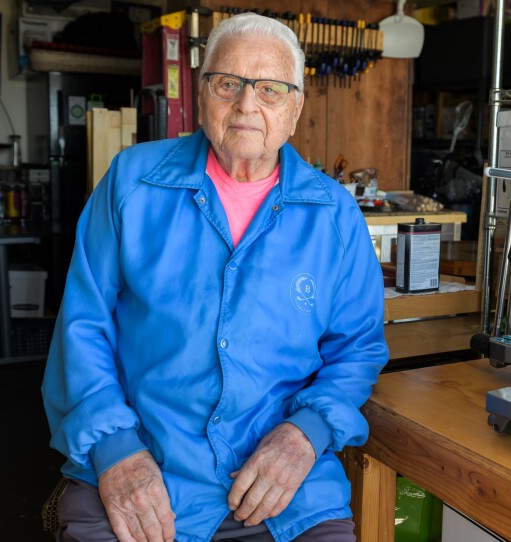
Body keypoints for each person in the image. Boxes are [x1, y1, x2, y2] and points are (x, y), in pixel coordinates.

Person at [42, 12, 389, 542]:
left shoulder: (335, 215)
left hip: (285, 492)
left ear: (294, 108)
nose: (247, 105)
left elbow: (358, 350)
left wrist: (305, 433)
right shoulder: (133, 182)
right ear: (202, 94)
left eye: (270, 89)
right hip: (144, 471)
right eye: (229, 84)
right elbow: (83, 326)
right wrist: (116, 450)